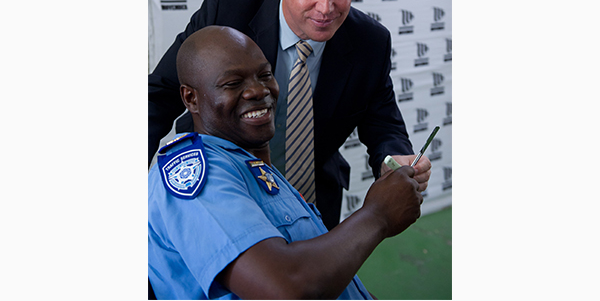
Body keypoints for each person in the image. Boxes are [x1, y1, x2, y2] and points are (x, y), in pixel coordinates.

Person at [148, 0, 431, 230]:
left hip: (312, 200)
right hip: (218, 191)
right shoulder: (227, 11)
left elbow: (384, 124)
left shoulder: (370, 41)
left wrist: (394, 160)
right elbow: (158, 97)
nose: (326, 6)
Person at [148, 26, 423, 299]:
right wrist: (377, 215)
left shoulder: (250, 165)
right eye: (233, 83)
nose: (258, 90)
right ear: (191, 98)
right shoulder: (195, 174)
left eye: (265, 75)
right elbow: (285, 289)